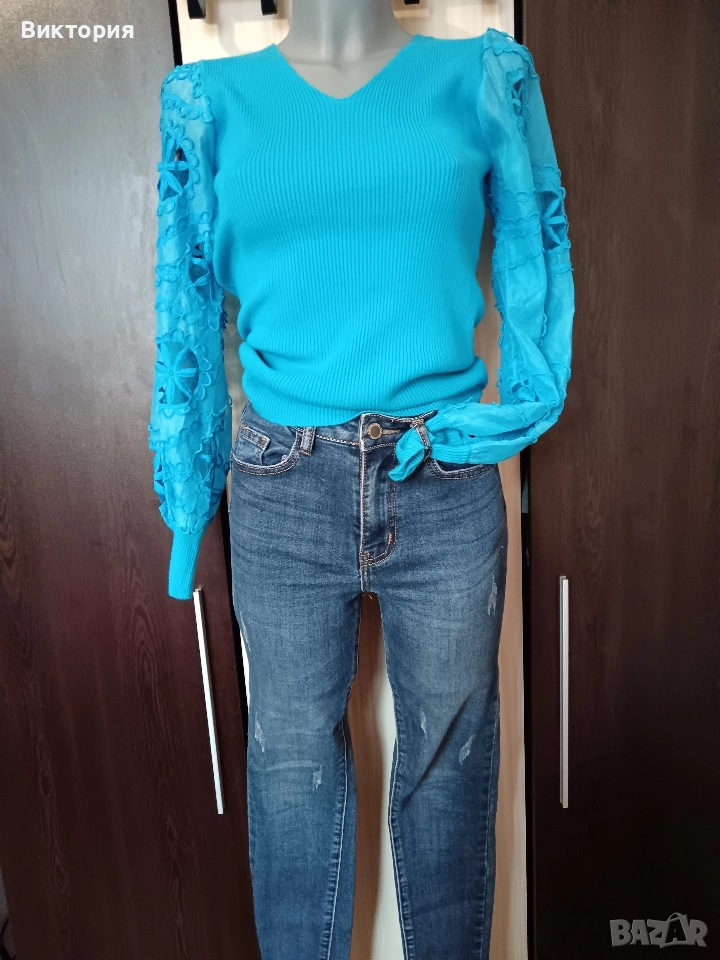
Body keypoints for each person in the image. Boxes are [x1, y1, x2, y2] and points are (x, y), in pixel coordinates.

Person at [148, 10, 574, 959]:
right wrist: (188, 504)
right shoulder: (209, 105)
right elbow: (184, 312)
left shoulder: (486, 79)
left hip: (444, 472)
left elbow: (536, 265)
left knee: (450, 762)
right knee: (290, 762)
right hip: (281, 484)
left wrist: (509, 419)